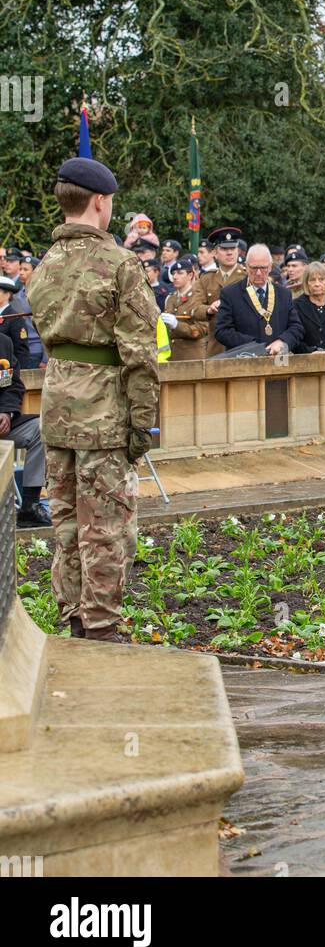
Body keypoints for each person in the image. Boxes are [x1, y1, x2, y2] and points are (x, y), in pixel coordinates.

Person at [26, 156, 159, 641]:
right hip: (104, 411)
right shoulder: (120, 264)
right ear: (101, 202)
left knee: (64, 521)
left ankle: (73, 618)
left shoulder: (45, 264)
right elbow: (140, 352)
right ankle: (101, 626)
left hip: (57, 406)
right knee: (105, 524)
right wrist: (144, 422)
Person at [214, 243, 303, 356]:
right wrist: (254, 346)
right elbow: (222, 331)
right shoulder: (230, 293)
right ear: (246, 266)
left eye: (263, 268)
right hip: (244, 360)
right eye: (254, 268)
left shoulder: (283, 294)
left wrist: (283, 341)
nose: (258, 273)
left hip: (278, 360)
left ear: (270, 266)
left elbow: (296, 327)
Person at [0, 326, 50, 526]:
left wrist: (6, 412)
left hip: (3, 422)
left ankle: (30, 505)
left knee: (41, 428)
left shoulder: (3, 343)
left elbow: (13, 385)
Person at [194, 227, 247, 355]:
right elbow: (195, 308)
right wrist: (209, 309)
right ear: (215, 253)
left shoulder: (247, 277)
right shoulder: (206, 278)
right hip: (215, 346)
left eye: (233, 248)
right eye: (224, 249)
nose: (229, 253)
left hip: (242, 345)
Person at [160, 255, 208, 360]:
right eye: (173, 273)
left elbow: (201, 330)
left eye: (180, 273)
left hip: (192, 356)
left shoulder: (199, 296)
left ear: (190, 275)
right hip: (172, 356)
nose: (175, 277)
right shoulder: (170, 299)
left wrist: (177, 325)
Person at [0, 275, 30, 370]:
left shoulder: (15, 317)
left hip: (8, 367)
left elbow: (21, 350)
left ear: (7, 294)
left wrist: (20, 372)